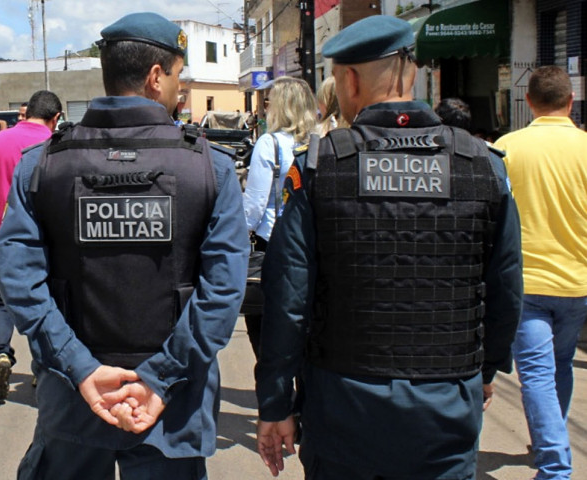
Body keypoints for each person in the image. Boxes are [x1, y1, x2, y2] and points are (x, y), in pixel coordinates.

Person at [254, 15, 523, 479]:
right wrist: (484, 373)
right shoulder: (483, 167)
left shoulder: (320, 168)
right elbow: (507, 290)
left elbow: (288, 299)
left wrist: (276, 403)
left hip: (342, 409)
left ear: (351, 80)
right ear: (412, 73)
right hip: (447, 408)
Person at [0, 12, 248, 478]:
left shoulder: (42, 166)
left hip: (74, 403)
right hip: (172, 409)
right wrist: (159, 379)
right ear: (156, 77)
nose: (181, 87)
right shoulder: (210, 168)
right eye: (177, 74)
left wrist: (82, 370)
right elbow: (223, 293)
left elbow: (18, 280)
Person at [494, 65, 587, 480]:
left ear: (528, 102)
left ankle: (554, 467)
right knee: (560, 363)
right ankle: (548, 442)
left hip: (526, 282)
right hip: (578, 282)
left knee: (535, 372)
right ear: (570, 102)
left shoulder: (507, 148)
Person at [0, 90, 62, 400]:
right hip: (49, 244)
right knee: (47, 304)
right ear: (56, 118)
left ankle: (0, 353)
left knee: (0, 301)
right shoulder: (57, 145)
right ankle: (42, 368)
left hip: (5, 241)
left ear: (24, 114)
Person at [240, 76, 316, 357]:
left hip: (272, 243)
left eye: (271, 100)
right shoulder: (321, 141)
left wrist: (238, 234)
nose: (267, 105)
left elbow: (256, 203)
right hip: (309, 243)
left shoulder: (269, 144)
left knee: (265, 330)